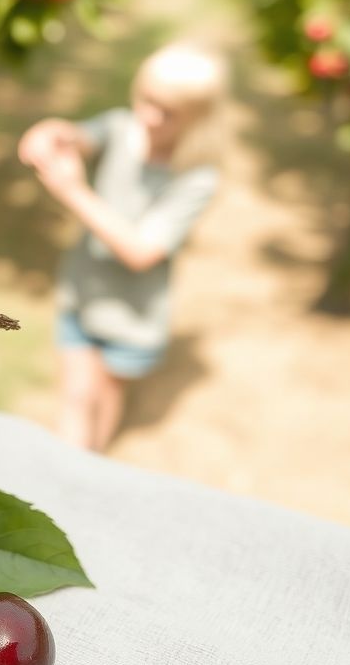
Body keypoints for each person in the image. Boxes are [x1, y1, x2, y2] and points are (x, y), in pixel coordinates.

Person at [18, 43, 228, 452]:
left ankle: (94, 456)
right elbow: (79, 136)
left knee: (108, 394)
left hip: (132, 316)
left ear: (199, 120)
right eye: (146, 100)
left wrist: (73, 191)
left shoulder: (196, 178)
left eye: (168, 112)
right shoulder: (121, 128)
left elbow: (141, 252)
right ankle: (71, 471)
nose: (150, 117)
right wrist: (51, 132)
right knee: (77, 396)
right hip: (83, 293)